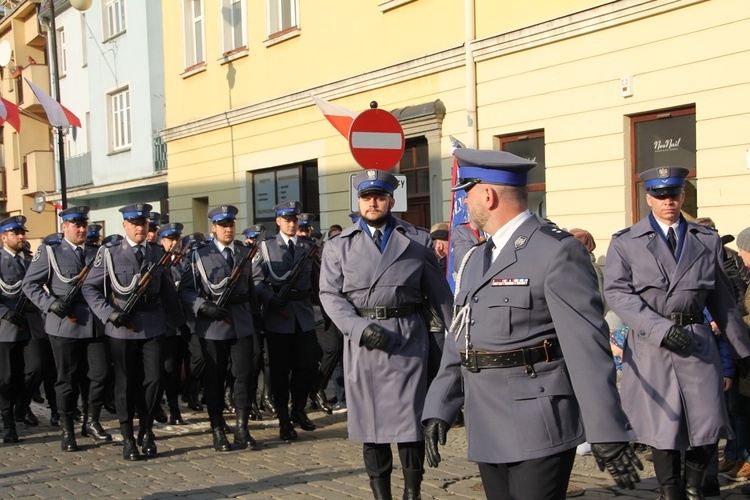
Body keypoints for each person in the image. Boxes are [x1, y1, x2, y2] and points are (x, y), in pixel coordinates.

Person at [421, 148, 641, 500]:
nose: (465, 203)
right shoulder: (477, 258)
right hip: (486, 420)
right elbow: (461, 337)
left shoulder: (556, 251)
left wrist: (607, 430)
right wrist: (439, 405)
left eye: (468, 192)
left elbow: (586, 347)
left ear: (488, 195)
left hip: (539, 420)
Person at [604, 166, 750, 499]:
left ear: (683, 195)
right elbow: (617, 293)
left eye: (674, 194)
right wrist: (659, 329)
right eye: (660, 194)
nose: (668, 201)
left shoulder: (706, 240)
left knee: (707, 422)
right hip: (651, 345)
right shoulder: (627, 242)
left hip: (697, 341)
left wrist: (743, 352)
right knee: (662, 426)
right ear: (648, 198)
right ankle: (670, 491)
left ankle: (694, 488)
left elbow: (724, 301)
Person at [319, 169, 453, 499]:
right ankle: (381, 495)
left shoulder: (416, 240)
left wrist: (460, 337)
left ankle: (412, 491)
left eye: (379, 197)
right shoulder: (339, 246)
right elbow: (329, 295)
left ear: (391, 200)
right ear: (359, 202)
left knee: (410, 425)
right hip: (364, 344)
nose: (373, 203)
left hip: (408, 339)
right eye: (366, 197)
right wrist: (358, 329)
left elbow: (441, 296)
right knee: (372, 427)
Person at [82, 203, 185, 461]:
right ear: (125, 225)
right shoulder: (110, 253)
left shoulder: (156, 251)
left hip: (152, 324)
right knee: (126, 383)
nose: (140, 227)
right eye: (135, 223)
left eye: (144, 223)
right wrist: (109, 314)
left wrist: (180, 323)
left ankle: (147, 430)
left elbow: (167, 292)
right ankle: (128, 437)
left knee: (154, 379)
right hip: (123, 327)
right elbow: (90, 288)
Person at [22, 206, 112, 452]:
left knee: (100, 374)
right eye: (76, 225)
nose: (81, 229)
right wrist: (51, 304)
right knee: (67, 379)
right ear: (65, 227)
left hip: (94, 324)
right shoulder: (50, 252)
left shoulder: (97, 252)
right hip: (65, 324)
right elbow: (30, 285)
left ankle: (91, 421)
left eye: (84, 225)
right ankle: (67, 429)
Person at [179, 205, 260, 451]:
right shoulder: (199, 254)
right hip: (213, 324)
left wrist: (256, 319)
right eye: (222, 225)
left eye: (231, 224)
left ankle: (242, 428)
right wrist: (203, 307)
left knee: (244, 376)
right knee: (214, 379)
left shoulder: (243, 252)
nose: (228, 229)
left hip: (241, 323)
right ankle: (217, 428)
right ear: (213, 228)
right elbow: (185, 290)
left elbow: (250, 289)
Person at [253, 201, 320, 441]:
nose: (292, 224)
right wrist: (270, 299)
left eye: (295, 220)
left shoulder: (308, 246)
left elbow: (316, 281)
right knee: (280, 371)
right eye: (287, 220)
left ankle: (298, 409)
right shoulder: (267, 247)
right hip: (278, 316)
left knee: (309, 365)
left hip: (303, 314)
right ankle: (283, 419)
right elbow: (256, 280)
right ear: (278, 222)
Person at [0, 216, 36, 444]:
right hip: (7, 327)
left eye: (22, 232)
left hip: (31, 325)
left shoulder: (29, 261)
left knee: (36, 368)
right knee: (6, 377)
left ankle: (21, 407)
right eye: (16, 233)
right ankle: (8, 423)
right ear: (4, 237)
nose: (21, 236)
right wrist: (5, 312)